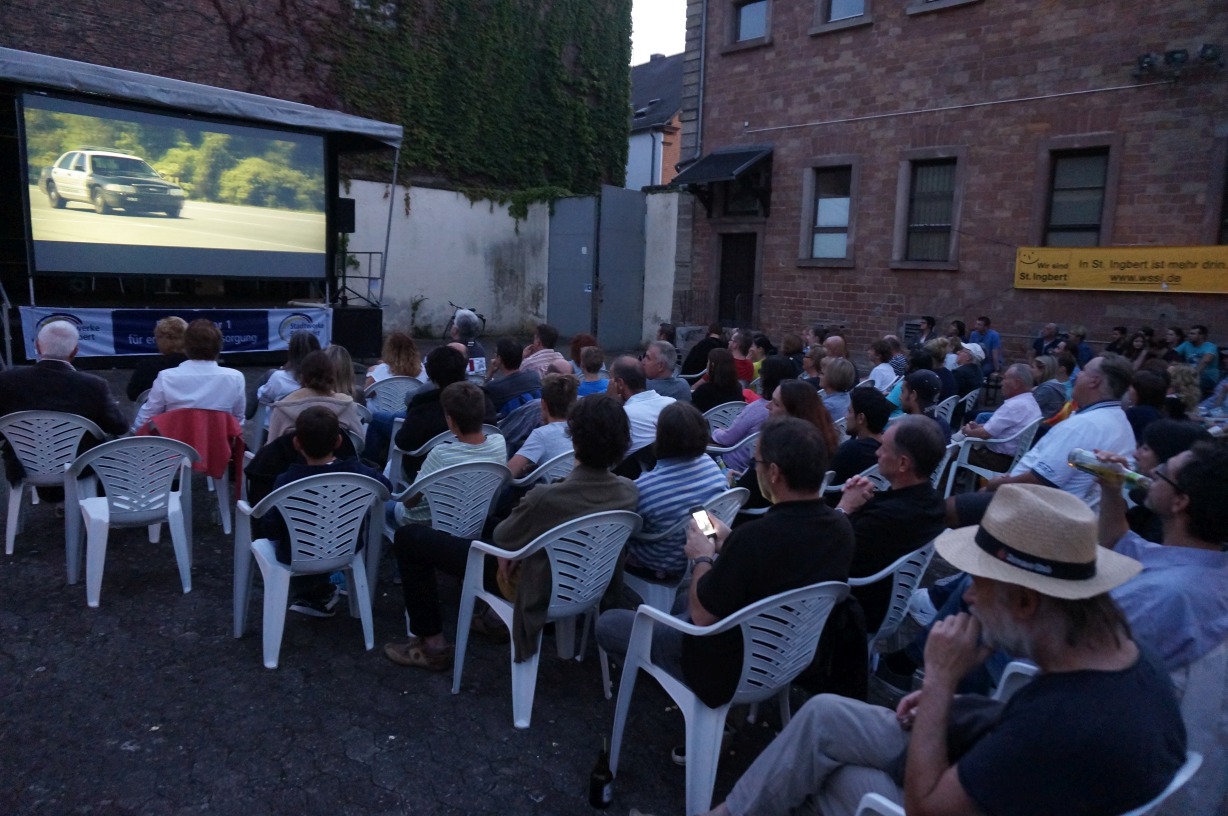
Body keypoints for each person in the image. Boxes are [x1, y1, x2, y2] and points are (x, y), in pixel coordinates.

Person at [698, 483, 1186, 816]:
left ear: (1023, 601)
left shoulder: (1062, 724)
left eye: (978, 583)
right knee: (824, 715)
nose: (968, 596)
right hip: (1003, 773)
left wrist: (940, 682)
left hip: (951, 795)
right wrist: (949, 705)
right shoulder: (1128, 656)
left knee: (830, 781)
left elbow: (926, 806)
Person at [597, 417, 853, 708]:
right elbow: (781, 561)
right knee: (681, 599)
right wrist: (728, 539)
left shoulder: (757, 537)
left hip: (727, 666)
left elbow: (703, 616)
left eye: (756, 463)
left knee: (609, 624)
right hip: (789, 653)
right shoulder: (840, 529)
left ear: (774, 473)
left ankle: (674, 687)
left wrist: (701, 557)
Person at [385, 394, 637, 670]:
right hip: (586, 582)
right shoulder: (628, 491)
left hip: (534, 585)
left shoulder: (548, 496)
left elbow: (505, 536)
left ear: (574, 438)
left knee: (410, 538)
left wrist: (518, 545)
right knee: (491, 523)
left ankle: (431, 644)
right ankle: (493, 618)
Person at [949, 353, 1136, 525]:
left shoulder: (1085, 425)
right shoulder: (1119, 422)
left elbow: (1040, 479)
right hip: (1063, 508)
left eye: (1083, 371)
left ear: (1094, 382)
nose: (1076, 376)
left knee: (949, 509)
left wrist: (998, 484)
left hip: (1043, 511)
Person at [261, 407, 392, 617]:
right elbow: (386, 489)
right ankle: (322, 590)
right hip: (346, 546)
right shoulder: (357, 472)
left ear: (296, 443)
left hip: (295, 553)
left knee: (286, 538)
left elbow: (272, 527)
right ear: (339, 442)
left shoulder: (285, 481)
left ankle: (315, 592)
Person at [836, 416, 947, 632]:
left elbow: (830, 549)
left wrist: (845, 507)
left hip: (854, 608)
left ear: (903, 463)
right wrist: (865, 501)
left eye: (884, 448)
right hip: (886, 598)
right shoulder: (932, 502)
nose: (877, 453)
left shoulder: (887, 518)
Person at [0, 320, 128, 497]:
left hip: (23, 465)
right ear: (75, 351)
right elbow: (120, 427)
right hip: (79, 466)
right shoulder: (93, 386)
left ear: (37, 346)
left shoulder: (6, 380)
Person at [624, 403, 728, 582]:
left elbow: (629, 530)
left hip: (659, 563)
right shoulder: (710, 465)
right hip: (704, 555)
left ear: (660, 437)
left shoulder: (645, 488)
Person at [389, 381, 507, 528]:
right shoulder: (499, 442)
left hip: (428, 520)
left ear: (450, 421)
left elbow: (409, 502)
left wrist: (423, 478)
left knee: (382, 502)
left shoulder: (441, 454)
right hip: (477, 516)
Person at [394, 346, 498, 481]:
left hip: (428, 478)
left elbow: (403, 442)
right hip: (480, 474)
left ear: (431, 374)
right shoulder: (483, 400)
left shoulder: (424, 407)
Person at [131, 318, 246, 433]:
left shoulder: (166, 377)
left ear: (185, 346)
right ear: (219, 347)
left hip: (175, 448)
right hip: (220, 448)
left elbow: (145, 419)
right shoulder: (235, 378)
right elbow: (237, 421)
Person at [737, 380, 840, 508]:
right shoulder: (824, 443)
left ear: (793, 413)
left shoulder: (774, 450)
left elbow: (742, 498)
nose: (767, 406)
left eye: (776, 403)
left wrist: (734, 486)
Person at [710, 357, 795, 474]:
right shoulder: (796, 417)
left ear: (766, 378)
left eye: (761, 372)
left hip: (732, 465)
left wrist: (715, 431)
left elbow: (727, 439)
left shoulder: (758, 409)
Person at [957, 363, 1041, 472]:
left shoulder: (1014, 406)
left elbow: (985, 434)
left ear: (1016, 384)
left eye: (1005, 379)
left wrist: (968, 431)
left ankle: (940, 488)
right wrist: (978, 427)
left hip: (997, 459)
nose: (1001, 383)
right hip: (1012, 459)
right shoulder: (1031, 403)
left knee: (953, 453)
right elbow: (1005, 429)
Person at [266, 350, 365, 442]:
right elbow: (360, 441)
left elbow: (270, 448)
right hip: (339, 460)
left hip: (293, 460)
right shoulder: (347, 405)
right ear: (332, 376)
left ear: (302, 377)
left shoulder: (282, 409)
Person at [506, 372, 576, 479]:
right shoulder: (583, 430)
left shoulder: (540, 435)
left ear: (543, 405)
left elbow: (509, 473)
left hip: (555, 492)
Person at [608, 355, 675, 456]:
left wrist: (611, 405)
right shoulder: (672, 403)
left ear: (620, 383)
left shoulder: (621, 417)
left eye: (611, 379)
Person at [830, 386, 890, 487]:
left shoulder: (850, 451)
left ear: (861, 418)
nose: (846, 416)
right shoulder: (889, 449)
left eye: (849, 411)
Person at [253, 330, 320, 414]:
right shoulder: (325, 381)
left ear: (291, 352)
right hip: (317, 424)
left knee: (269, 374)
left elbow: (261, 398)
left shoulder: (278, 378)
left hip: (282, 425)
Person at [126, 315, 187, 401]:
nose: (156, 342)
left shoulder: (147, 367)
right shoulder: (197, 365)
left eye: (157, 337)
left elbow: (132, 394)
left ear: (165, 339)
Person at [484, 337, 542, 418]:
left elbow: (477, 399)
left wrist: (489, 374)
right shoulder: (534, 376)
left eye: (495, 354)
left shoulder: (494, 387)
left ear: (499, 359)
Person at [899, 370, 951, 443]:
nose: (900, 397)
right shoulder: (943, 426)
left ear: (913, 395)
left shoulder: (909, 432)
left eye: (903, 391)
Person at [690, 348, 744, 414]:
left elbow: (691, 413)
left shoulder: (704, 390)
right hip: (729, 423)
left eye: (708, 361)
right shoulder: (738, 388)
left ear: (712, 366)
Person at [1176, 324, 1219, 395]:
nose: (1189, 336)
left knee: (1190, 384)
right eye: (1189, 333)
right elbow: (1172, 354)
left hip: (1208, 377)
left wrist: (1193, 375)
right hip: (1189, 375)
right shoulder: (1187, 344)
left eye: (1192, 334)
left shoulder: (1210, 346)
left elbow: (1206, 360)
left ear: (1202, 336)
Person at [1029, 354, 1066, 420]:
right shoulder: (1053, 386)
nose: (1030, 370)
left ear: (1043, 370)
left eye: (1032, 367)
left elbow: (1028, 409)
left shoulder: (1046, 389)